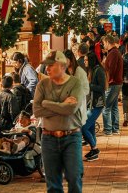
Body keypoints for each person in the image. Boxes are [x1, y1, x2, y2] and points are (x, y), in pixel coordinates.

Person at [33, 50, 85, 193]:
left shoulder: (75, 83)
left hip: (72, 137)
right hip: (48, 137)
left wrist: (46, 103)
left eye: (51, 65)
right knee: (53, 183)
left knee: (74, 178)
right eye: (46, 66)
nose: (47, 69)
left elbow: (71, 109)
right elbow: (37, 111)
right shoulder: (42, 85)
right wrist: (62, 105)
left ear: (62, 66)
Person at [82, 52, 106, 161]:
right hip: (92, 104)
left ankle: (95, 149)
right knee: (90, 128)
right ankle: (93, 150)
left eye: (86, 60)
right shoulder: (92, 70)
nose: (84, 62)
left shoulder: (99, 71)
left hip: (97, 104)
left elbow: (101, 88)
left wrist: (88, 85)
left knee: (84, 127)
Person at [102, 35, 123, 135]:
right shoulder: (114, 52)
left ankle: (108, 129)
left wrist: (108, 81)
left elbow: (112, 69)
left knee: (105, 107)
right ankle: (115, 128)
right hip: (116, 82)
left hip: (113, 83)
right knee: (114, 107)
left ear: (107, 42)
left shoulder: (113, 53)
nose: (103, 45)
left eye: (104, 43)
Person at [63, 49, 90, 124]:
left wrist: (76, 95)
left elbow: (86, 89)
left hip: (78, 105)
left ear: (71, 60)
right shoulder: (64, 71)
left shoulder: (79, 71)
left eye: (66, 60)